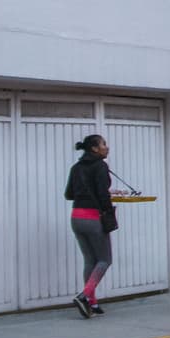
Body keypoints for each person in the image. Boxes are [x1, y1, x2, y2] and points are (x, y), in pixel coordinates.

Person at [64, 134, 115, 317]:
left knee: (90, 261)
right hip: (93, 218)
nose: (106, 147)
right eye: (103, 144)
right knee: (105, 260)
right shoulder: (100, 166)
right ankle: (84, 296)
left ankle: (92, 304)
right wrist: (108, 211)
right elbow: (103, 194)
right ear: (94, 148)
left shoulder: (76, 168)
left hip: (76, 217)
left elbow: (69, 194)